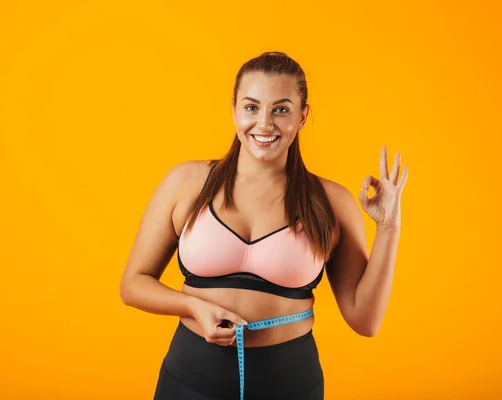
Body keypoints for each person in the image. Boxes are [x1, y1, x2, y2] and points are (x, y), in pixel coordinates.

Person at [119, 51, 408, 400]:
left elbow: (365, 321)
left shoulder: (331, 202)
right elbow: (133, 284)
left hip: (290, 385)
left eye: (281, 109)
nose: (265, 124)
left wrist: (389, 228)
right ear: (234, 109)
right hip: (189, 380)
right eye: (252, 107)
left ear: (302, 117)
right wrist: (193, 306)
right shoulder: (186, 183)